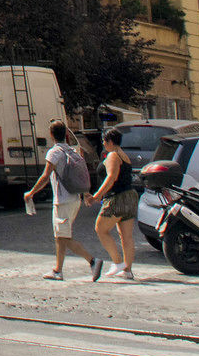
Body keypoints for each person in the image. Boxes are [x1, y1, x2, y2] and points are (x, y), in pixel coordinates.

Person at [26, 120, 100, 281]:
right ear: (66, 135)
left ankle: (93, 261)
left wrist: (31, 193)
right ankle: (58, 270)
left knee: (64, 237)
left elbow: (45, 176)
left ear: (51, 135)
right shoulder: (73, 151)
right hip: (75, 199)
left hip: (62, 200)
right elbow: (80, 175)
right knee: (60, 236)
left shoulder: (54, 153)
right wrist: (86, 193)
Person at [87, 127, 139, 282]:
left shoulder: (113, 155)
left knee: (100, 228)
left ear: (109, 141)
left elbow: (111, 178)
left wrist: (96, 196)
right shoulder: (124, 155)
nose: (103, 144)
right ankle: (127, 270)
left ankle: (118, 263)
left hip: (117, 198)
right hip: (130, 196)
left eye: (104, 141)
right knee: (126, 236)